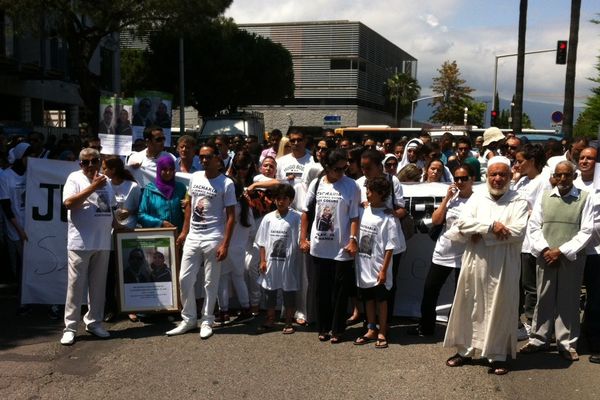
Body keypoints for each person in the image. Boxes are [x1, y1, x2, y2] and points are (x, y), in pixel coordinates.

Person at [443, 156, 529, 375]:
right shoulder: (477, 197)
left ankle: (497, 355)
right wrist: (490, 226)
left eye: (502, 175)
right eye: (494, 174)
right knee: (470, 305)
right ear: (487, 176)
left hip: (504, 265)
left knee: (500, 308)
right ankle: (465, 350)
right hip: (476, 262)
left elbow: (517, 232)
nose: (498, 179)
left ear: (510, 176)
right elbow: (462, 223)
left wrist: (480, 233)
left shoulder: (519, 200)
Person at [520, 160, 594, 362]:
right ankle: (538, 339)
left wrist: (560, 251)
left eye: (567, 175)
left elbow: (587, 230)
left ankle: (567, 343)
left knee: (568, 300)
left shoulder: (585, 198)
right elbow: (534, 226)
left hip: (571, 256)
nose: (562, 179)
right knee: (543, 297)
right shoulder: (544, 197)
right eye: (559, 175)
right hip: (545, 255)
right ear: (553, 176)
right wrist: (545, 249)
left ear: (574, 176)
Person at [166, 143, 236, 340]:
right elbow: (189, 204)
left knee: (210, 282)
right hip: (193, 236)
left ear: (217, 160)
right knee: (184, 279)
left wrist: (225, 244)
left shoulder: (226, 184)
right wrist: (185, 231)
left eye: (208, 157)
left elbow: (231, 216)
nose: (204, 160)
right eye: (201, 157)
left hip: (214, 238)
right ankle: (188, 319)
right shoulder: (195, 177)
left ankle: (207, 320)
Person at [300, 148, 360, 343]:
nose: (342, 172)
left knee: (340, 290)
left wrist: (352, 239)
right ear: (327, 167)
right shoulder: (317, 184)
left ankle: (338, 329)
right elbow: (306, 212)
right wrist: (303, 238)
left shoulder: (351, 186)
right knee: (321, 289)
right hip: (319, 246)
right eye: (337, 169)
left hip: (341, 247)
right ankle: (323, 327)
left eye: (345, 168)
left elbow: (354, 216)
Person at [60, 148, 118, 346]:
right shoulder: (74, 178)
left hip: (102, 241)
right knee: (75, 287)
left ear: (100, 161)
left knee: (98, 287)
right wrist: (93, 187)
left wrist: (119, 225)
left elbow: (109, 208)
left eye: (94, 161)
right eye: (86, 162)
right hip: (80, 243)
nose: (91, 165)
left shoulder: (106, 181)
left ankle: (94, 322)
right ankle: (70, 328)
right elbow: (68, 203)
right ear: (80, 165)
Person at [409, 165, 474, 337]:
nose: (460, 182)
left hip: (465, 253)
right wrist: (446, 199)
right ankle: (426, 327)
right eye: (457, 179)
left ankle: (457, 331)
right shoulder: (452, 199)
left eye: (464, 178)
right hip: (443, 251)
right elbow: (437, 220)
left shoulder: (478, 200)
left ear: (472, 179)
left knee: (461, 295)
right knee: (430, 290)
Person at [353, 177, 400, 349]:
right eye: (367, 190)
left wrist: (383, 270)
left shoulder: (388, 217)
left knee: (381, 300)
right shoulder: (363, 210)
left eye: (371, 191)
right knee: (369, 299)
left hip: (379, 265)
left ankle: (382, 331)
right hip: (363, 264)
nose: (367, 194)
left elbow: (390, 247)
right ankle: (371, 328)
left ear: (381, 194)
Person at [255, 184, 302, 333]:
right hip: (271, 262)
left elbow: (300, 239)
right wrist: (262, 260)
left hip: (288, 263)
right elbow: (262, 242)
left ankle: (288, 322)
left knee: (289, 292)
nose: (281, 202)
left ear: (290, 200)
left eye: (284, 199)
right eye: (278, 199)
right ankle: (270, 320)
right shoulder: (268, 218)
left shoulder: (296, 217)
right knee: (270, 292)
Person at [512, 144, 546, 340]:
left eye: (520, 161)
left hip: (530, 241)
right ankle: (517, 321)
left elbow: (539, 211)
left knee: (529, 284)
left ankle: (534, 323)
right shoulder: (521, 181)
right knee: (515, 282)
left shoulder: (543, 182)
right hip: (516, 238)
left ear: (532, 161)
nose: (516, 165)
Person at [573, 147, 600, 363]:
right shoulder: (571, 181)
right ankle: (572, 336)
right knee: (571, 293)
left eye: (589, 158)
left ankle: (595, 339)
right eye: (582, 158)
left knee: (596, 296)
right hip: (573, 248)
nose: (585, 161)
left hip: (596, 250)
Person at [138, 156, 187, 232]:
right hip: (157, 236)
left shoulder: (181, 188)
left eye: (171, 169)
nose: (168, 173)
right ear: (159, 170)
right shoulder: (149, 190)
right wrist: (160, 223)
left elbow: (187, 212)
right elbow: (141, 215)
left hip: (178, 236)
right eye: (164, 169)